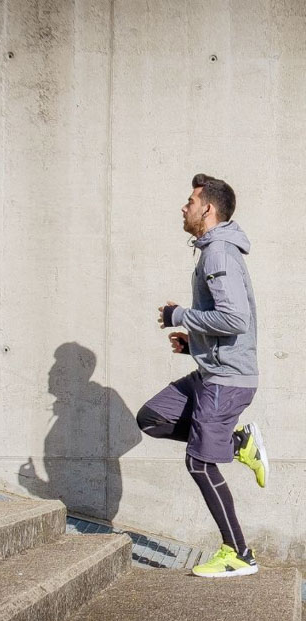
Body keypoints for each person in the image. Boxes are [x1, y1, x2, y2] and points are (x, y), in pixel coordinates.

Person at [136, 173, 269, 578]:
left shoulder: (219, 253)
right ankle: (237, 443)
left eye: (190, 201)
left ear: (207, 209)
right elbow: (223, 321)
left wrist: (180, 316)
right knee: (152, 418)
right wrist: (192, 340)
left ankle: (238, 554)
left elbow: (234, 318)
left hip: (226, 382)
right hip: (210, 372)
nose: (184, 206)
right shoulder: (212, 250)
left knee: (198, 463)